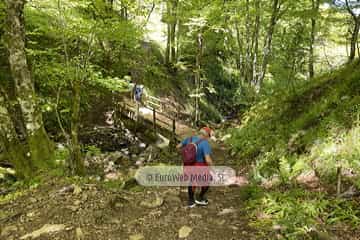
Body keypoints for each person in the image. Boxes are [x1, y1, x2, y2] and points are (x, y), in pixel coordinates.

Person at [177, 127, 214, 208]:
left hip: (188, 165)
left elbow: (178, 146)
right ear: (207, 136)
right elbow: (207, 160)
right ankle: (200, 198)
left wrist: (187, 155)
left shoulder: (189, 139)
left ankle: (191, 201)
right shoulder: (205, 143)